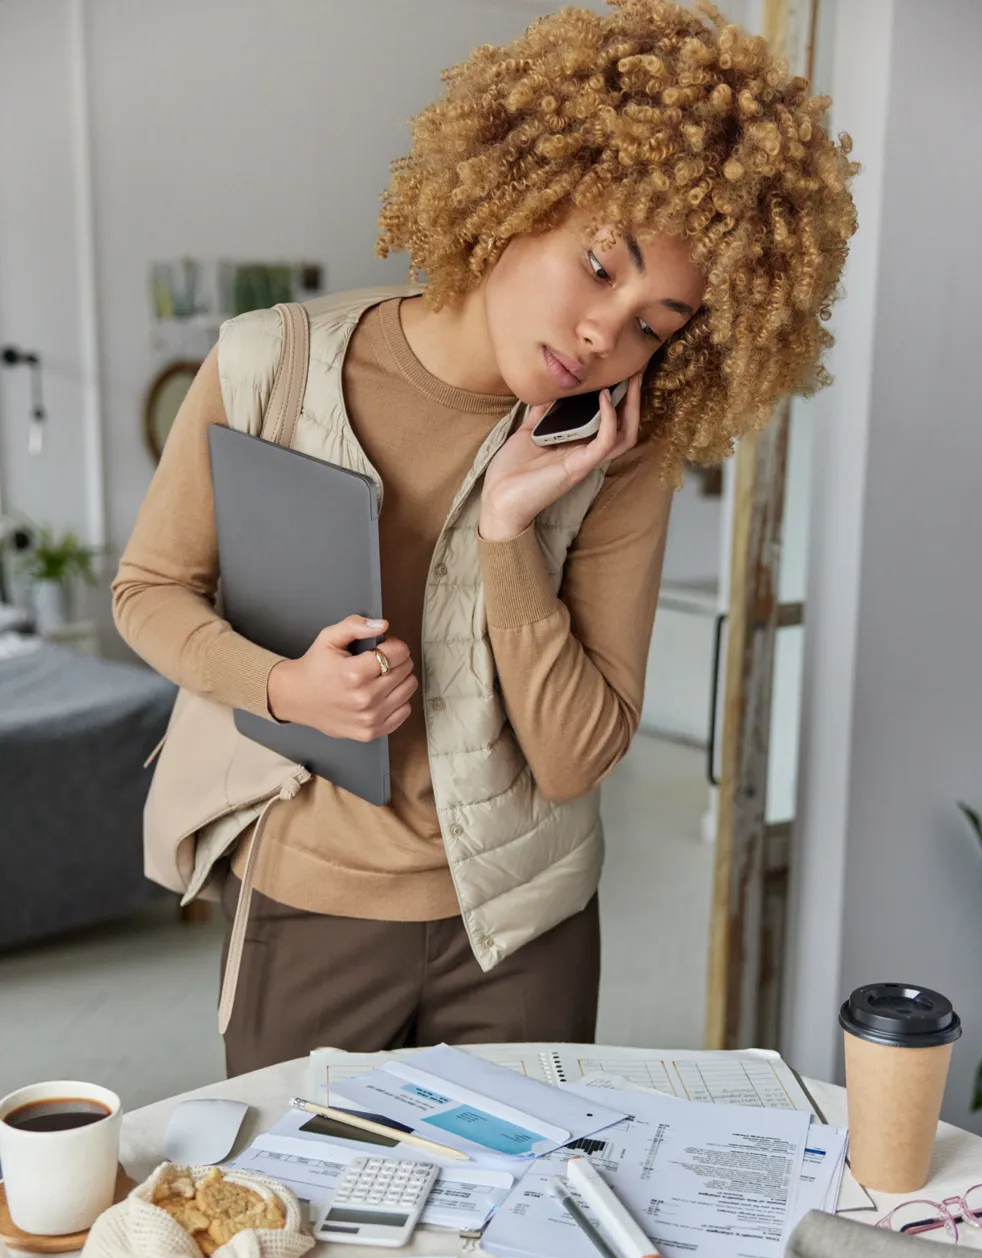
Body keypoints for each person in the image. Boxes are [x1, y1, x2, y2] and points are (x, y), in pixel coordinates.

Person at [113, 0, 857, 1076]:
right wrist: (284, 689)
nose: (611, 333)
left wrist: (512, 531)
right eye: (603, 266)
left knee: (516, 1242)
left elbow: (573, 755)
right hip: (309, 901)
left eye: (657, 322)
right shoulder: (265, 366)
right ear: (522, 191)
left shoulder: (619, 453)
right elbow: (149, 588)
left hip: (525, 927)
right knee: (302, 1228)